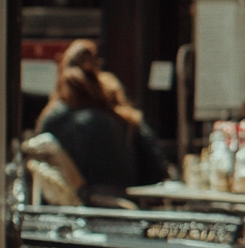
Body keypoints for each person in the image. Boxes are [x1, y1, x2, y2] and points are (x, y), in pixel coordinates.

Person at [36, 40, 167, 204]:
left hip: (68, 213)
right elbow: (156, 170)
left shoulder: (52, 119)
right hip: (119, 209)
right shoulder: (121, 120)